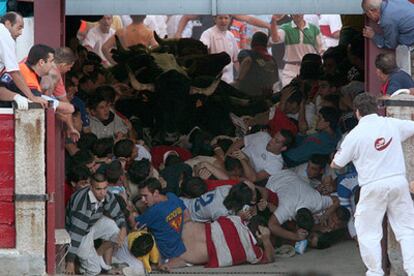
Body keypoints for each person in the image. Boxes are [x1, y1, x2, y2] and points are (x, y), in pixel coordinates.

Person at [331, 93, 414, 276]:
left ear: (357, 112)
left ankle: (375, 273)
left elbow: (337, 164)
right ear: (376, 108)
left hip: (372, 186)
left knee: (368, 232)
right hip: (398, 182)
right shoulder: (391, 124)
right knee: (407, 230)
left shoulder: (354, 135)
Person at [65, 173, 127, 275]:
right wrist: (70, 261)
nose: (102, 193)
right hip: (79, 233)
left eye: (105, 188)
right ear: (91, 187)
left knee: (118, 232)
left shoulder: (107, 195)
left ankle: (98, 254)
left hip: (91, 225)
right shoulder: (82, 206)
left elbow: (118, 214)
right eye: (98, 189)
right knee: (94, 270)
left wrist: (123, 229)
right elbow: (76, 234)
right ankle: (83, 267)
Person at [266, 169, 339, 243]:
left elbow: (336, 200)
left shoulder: (316, 201)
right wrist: (295, 236)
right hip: (272, 178)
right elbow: (272, 226)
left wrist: (325, 216)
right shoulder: (288, 208)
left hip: (288, 172)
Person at [135, 177, 189, 261]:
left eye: (145, 196)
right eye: (141, 196)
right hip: (181, 247)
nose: (143, 200)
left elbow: (134, 225)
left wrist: (129, 207)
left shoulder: (154, 211)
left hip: (165, 254)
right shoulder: (171, 196)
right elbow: (187, 214)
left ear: (156, 193)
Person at [0, 12, 47, 107]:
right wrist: (32, 97)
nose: (21, 33)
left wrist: (16, 96)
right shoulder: (4, 34)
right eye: (19, 27)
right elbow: (14, 72)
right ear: (8, 23)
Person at [270, 14, 323, 86]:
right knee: (289, 94)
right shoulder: (285, 28)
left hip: (308, 69)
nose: (296, 13)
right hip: (290, 70)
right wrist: (273, 23)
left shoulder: (314, 29)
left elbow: (321, 49)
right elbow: (275, 40)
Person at [228, 130, 294, 182]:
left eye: (276, 141)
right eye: (273, 137)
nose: (271, 141)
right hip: (234, 158)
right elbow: (240, 142)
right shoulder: (263, 136)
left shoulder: (277, 163)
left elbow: (255, 178)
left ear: (283, 148)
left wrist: (244, 160)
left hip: (245, 172)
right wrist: (225, 157)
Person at [235, 31, 279, 97]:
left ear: (252, 42)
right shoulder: (272, 60)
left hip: (246, 96)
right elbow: (273, 81)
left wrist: (238, 81)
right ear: (266, 44)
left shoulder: (246, 53)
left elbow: (247, 61)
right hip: (264, 98)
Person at [200, 15, 239, 83]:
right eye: (220, 18)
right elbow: (203, 50)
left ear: (230, 20)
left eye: (226, 18)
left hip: (229, 79)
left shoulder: (231, 35)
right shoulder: (207, 33)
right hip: (213, 78)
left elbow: (236, 60)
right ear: (215, 19)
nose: (223, 21)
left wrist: (240, 77)